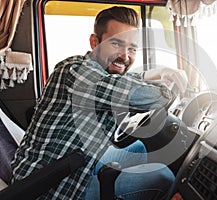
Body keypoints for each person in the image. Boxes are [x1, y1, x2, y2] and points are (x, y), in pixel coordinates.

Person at [10, 6, 188, 199]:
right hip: (51, 185)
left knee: (139, 148)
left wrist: (150, 74)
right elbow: (146, 96)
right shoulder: (75, 72)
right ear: (95, 42)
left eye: (132, 49)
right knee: (163, 177)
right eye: (116, 44)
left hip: (76, 161)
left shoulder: (99, 75)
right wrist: (167, 84)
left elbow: (118, 81)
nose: (125, 56)